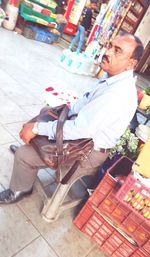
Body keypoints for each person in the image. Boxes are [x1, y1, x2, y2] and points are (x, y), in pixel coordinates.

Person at [0, 31, 144, 204]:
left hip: (88, 151)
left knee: (24, 154)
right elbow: (83, 105)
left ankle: (20, 189)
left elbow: (79, 129)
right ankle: (33, 153)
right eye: (110, 46)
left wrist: (38, 128)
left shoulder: (117, 94)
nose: (108, 52)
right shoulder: (113, 79)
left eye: (117, 51)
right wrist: (60, 112)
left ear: (131, 64)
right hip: (83, 136)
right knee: (46, 113)